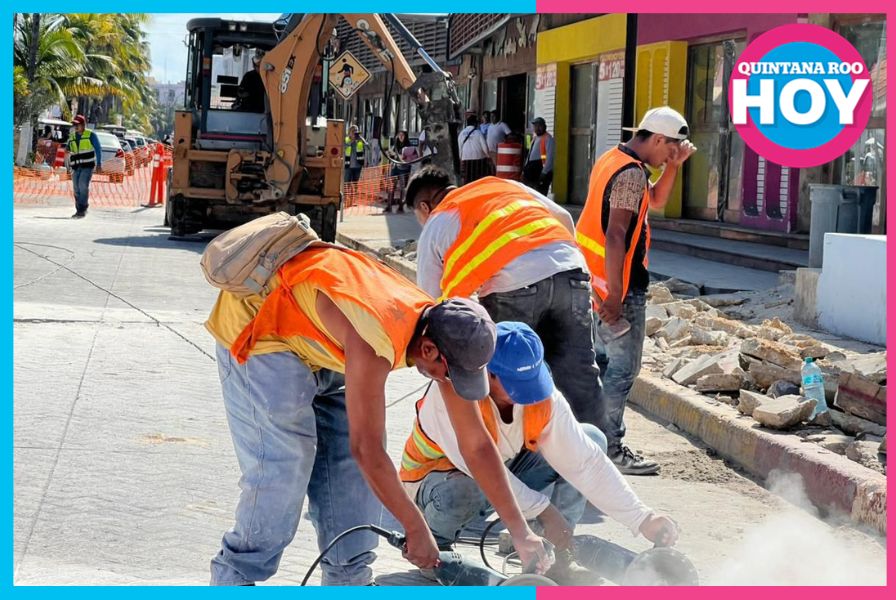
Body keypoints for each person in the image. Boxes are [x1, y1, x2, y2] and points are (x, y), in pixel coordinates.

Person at [205, 245, 550, 585]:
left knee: (353, 481)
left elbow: (476, 445)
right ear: (428, 350)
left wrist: (521, 532)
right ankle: (233, 579)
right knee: (287, 465)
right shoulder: (377, 340)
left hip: (323, 339)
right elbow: (367, 449)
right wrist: (414, 527)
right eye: (449, 374)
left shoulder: (442, 332)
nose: (449, 383)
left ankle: (348, 580)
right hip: (263, 330)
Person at [399, 322, 679, 583]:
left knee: (590, 439)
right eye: (515, 386)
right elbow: (480, 468)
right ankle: (435, 548)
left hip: (500, 473)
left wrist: (642, 518)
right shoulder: (453, 394)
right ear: (488, 373)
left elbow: (586, 463)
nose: (527, 394)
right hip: (436, 485)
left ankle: (556, 554)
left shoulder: (540, 395)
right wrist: (544, 510)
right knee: (465, 490)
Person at [405, 166, 607, 441]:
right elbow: (563, 217)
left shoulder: (437, 221)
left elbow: (429, 300)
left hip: (513, 288)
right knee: (579, 371)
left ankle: (516, 453)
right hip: (570, 271)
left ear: (425, 207)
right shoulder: (502, 186)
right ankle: (598, 451)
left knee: (506, 372)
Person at [576, 106, 696, 475]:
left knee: (598, 367)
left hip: (593, 281)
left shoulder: (616, 159)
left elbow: (655, 201)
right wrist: (615, 295)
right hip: (618, 289)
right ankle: (609, 448)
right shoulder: (630, 175)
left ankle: (584, 444)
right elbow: (615, 235)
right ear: (658, 139)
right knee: (621, 371)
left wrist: (674, 167)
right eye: (668, 152)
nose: (666, 159)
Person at [66, 114, 102, 219]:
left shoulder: (91, 135)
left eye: (78, 125)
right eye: (74, 125)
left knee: (82, 185)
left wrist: (99, 164)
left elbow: (98, 149)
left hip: (87, 166)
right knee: (76, 188)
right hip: (75, 166)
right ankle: (78, 209)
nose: (76, 127)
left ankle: (83, 209)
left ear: (83, 125)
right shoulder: (72, 136)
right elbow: (68, 149)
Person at [457, 114, 493, 185]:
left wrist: (461, 158)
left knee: (467, 179)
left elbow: (460, 147)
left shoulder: (461, 134)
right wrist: (488, 156)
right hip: (479, 160)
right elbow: (485, 147)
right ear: (475, 123)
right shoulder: (478, 133)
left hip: (466, 159)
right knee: (478, 179)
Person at [523, 117, 554, 196]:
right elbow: (529, 154)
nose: (537, 128)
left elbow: (550, 158)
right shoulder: (535, 138)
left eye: (539, 126)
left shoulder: (548, 138)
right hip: (531, 170)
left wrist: (544, 172)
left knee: (540, 194)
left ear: (544, 126)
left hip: (540, 171)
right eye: (535, 126)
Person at [387, 130, 412, 213]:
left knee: (402, 187)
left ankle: (401, 206)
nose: (400, 137)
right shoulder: (395, 145)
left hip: (404, 169)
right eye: (399, 135)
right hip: (395, 167)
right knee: (391, 186)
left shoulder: (409, 146)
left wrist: (396, 154)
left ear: (405, 136)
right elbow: (390, 153)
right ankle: (389, 206)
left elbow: (405, 157)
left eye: (402, 135)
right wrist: (391, 153)